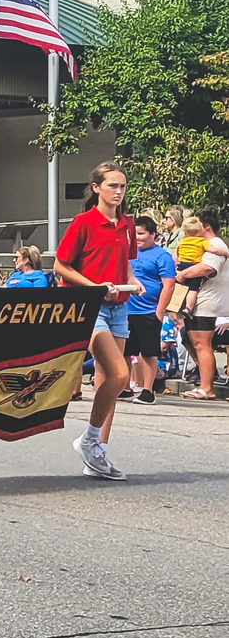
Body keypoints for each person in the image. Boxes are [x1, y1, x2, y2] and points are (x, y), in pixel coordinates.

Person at [54, 160, 139, 479]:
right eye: (112, 185)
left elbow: (126, 262)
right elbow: (60, 265)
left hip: (120, 304)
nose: (118, 191)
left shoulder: (127, 224)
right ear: (97, 188)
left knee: (109, 381)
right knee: (120, 373)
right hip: (90, 306)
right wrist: (94, 287)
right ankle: (89, 439)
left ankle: (98, 450)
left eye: (122, 186)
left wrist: (134, 279)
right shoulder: (84, 222)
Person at [174, 208, 228, 401]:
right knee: (192, 340)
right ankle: (205, 379)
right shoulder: (198, 243)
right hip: (198, 301)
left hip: (208, 302)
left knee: (201, 343)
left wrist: (183, 274)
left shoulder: (214, 244)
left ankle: (207, 387)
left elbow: (208, 268)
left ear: (205, 226)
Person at [123, 217, 175, 405]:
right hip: (126, 309)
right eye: (135, 234)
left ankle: (147, 390)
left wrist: (159, 312)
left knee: (148, 352)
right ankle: (126, 387)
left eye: (142, 234)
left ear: (153, 234)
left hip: (148, 311)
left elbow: (169, 285)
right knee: (125, 351)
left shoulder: (162, 256)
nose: (138, 238)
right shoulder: (129, 253)